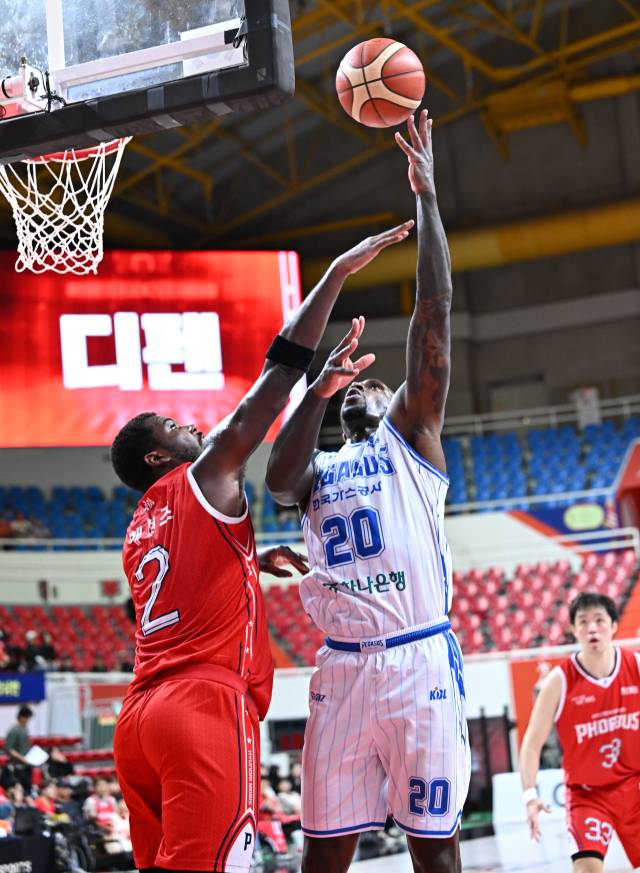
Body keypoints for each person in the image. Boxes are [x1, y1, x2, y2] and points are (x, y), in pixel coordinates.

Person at [110, 220, 413, 873]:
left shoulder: (140, 523)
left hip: (138, 717)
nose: (190, 422)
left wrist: (248, 561)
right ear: (159, 453)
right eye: (172, 425)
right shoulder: (204, 474)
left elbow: (182, 592)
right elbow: (276, 377)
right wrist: (334, 275)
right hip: (201, 706)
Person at [266, 110, 469, 873]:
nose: (368, 390)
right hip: (342, 668)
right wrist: (316, 390)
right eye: (356, 388)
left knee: (435, 852)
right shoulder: (317, 467)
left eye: (376, 385)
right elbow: (280, 481)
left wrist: (427, 198)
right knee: (323, 857)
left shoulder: (411, 439)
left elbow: (435, 318)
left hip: (418, 662)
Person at [519, 592, 640, 872]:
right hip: (588, 796)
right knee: (586, 868)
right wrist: (529, 795)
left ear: (613, 625)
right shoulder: (558, 681)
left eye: (599, 620)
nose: (592, 628)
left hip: (634, 786)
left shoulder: (635, 666)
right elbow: (531, 744)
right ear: (574, 630)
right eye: (583, 622)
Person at [4, 705, 34, 792]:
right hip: (18, 767)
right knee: (21, 791)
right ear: (21, 717)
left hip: (26, 765)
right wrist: (22, 758)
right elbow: (9, 749)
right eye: (27, 718)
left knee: (28, 790)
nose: (28, 721)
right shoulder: (14, 730)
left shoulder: (25, 729)